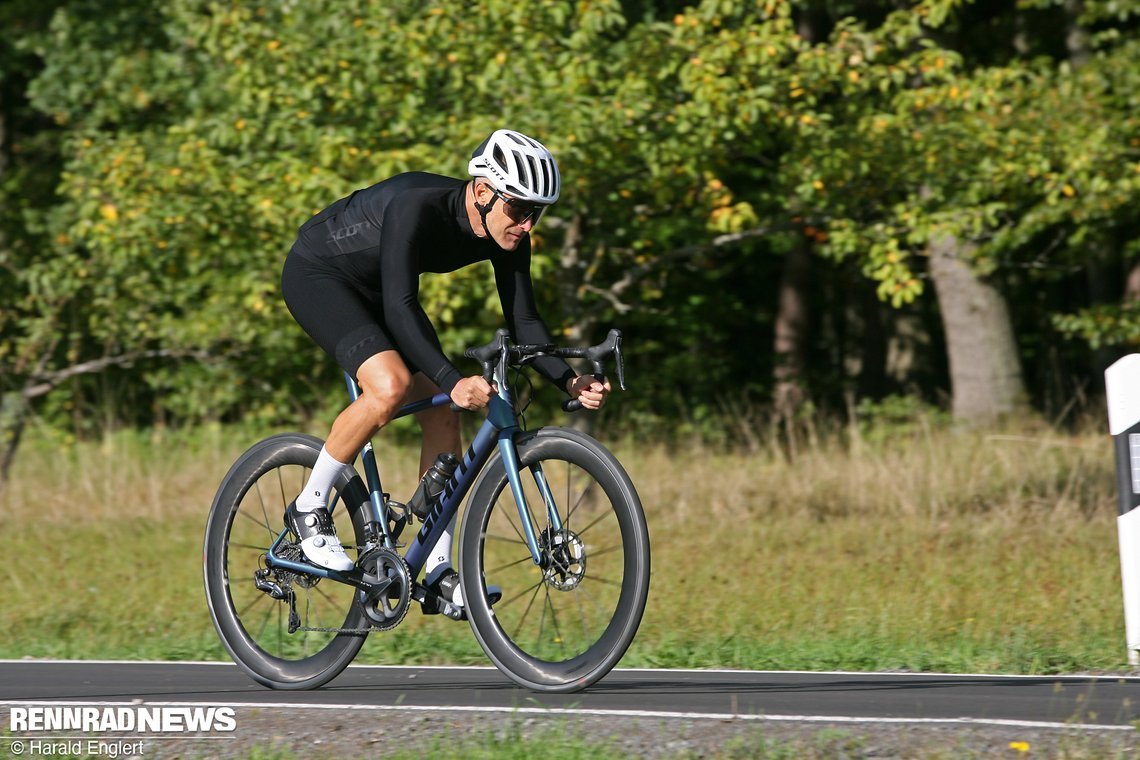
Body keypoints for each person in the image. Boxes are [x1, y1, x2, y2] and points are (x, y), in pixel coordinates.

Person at [279, 129, 610, 609]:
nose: (528, 225)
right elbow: (400, 305)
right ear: (482, 190)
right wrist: (453, 381)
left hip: (378, 292)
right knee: (390, 386)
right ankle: (309, 507)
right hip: (320, 275)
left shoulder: (508, 234)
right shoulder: (418, 207)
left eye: (537, 213)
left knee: (443, 413)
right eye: (519, 209)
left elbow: (525, 321)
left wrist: (568, 379)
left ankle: (434, 569)